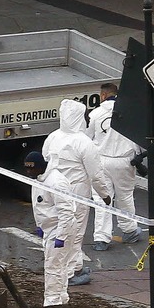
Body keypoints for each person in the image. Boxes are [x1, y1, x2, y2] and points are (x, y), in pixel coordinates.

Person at [42, 99, 111, 286]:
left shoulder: (53, 137)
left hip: (53, 189)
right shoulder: (84, 142)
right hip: (76, 192)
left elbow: (45, 158)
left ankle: (76, 266)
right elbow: (96, 174)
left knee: (60, 229)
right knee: (75, 231)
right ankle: (71, 272)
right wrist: (104, 194)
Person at [86, 83, 143, 251]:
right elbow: (138, 137)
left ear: (103, 95)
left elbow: (87, 138)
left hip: (101, 160)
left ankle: (101, 239)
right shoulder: (129, 112)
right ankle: (130, 231)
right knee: (125, 197)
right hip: (124, 161)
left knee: (102, 199)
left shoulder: (95, 114)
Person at [25, 151, 76, 306]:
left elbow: (66, 212)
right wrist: (40, 226)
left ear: (40, 167)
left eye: (31, 169)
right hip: (51, 228)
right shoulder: (39, 179)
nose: (28, 172)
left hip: (60, 228)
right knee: (59, 266)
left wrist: (61, 236)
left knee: (53, 267)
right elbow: (40, 206)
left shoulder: (56, 182)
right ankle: (61, 298)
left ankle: (52, 303)